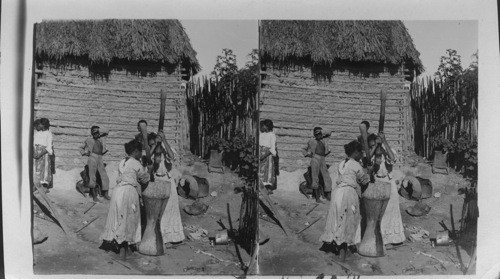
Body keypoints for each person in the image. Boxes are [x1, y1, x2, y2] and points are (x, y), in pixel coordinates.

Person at [319, 140, 370, 260]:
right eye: (361, 153)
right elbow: (363, 181)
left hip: (337, 193)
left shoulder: (341, 163)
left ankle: (331, 246)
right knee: (348, 219)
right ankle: (343, 251)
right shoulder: (356, 165)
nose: (362, 155)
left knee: (336, 218)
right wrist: (369, 173)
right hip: (348, 194)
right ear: (356, 152)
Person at [100, 139, 150, 260]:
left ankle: (117, 244)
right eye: (140, 152)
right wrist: (148, 170)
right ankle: (124, 249)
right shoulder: (136, 164)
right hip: (128, 192)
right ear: (136, 151)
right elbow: (144, 179)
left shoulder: (122, 161)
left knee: (118, 217)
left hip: (118, 191)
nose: (141, 155)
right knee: (128, 218)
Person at [367, 132, 406, 246]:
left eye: (374, 144)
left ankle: (394, 239)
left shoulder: (387, 150)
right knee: (379, 212)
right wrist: (374, 149)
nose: (373, 146)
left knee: (391, 210)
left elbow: (393, 159)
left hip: (389, 182)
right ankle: (381, 239)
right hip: (377, 182)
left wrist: (384, 142)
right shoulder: (371, 153)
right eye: (371, 145)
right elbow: (367, 162)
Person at [148, 132, 185, 246]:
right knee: (159, 211)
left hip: (168, 181)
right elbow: (147, 160)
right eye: (151, 144)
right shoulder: (151, 152)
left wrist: (163, 141)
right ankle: (161, 237)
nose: (152, 145)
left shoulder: (165, 149)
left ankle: (173, 237)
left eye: (154, 143)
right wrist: (153, 149)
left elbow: (172, 157)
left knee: (170, 210)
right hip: (156, 182)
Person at [302, 127, 333, 203]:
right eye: (317, 134)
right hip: (315, 158)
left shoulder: (324, 141)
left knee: (327, 177)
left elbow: (329, 132)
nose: (319, 135)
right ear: (315, 134)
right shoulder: (312, 140)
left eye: (320, 134)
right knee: (315, 177)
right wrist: (307, 155)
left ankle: (328, 196)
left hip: (322, 159)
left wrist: (323, 132)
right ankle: (317, 198)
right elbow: (303, 148)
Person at [79, 126, 110, 201]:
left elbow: (107, 131)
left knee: (104, 176)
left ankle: (105, 194)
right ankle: (94, 196)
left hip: (100, 158)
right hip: (92, 157)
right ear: (92, 133)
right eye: (95, 133)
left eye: (98, 133)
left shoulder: (100, 140)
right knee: (92, 177)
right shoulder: (89, 140)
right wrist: (85, 153)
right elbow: (80, 147)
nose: (97, 134)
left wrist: (100, 130)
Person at [33, 118, 54, 193]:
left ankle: (44, 187)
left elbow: (49, 147)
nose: (39, 125)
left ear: (44, 125)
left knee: (44, 169)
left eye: (40, 124)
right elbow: (33, 143)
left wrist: (40, 154)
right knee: (36, 169)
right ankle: (36, 186)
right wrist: (35, 152)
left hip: (44, 154)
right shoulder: (37, 133)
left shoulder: (49, 134)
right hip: (36, 153)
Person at [259, 119, 278, 194]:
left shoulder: (272, 135)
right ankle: (261, 186)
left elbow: (273, 148)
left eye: (264, 126)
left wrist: (265, 155)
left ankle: (268, 188)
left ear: (268, 126)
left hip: (268, 155)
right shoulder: (262, 134)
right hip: (261, 153)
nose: (262, 127)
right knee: (261, 170)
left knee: (268, 170)